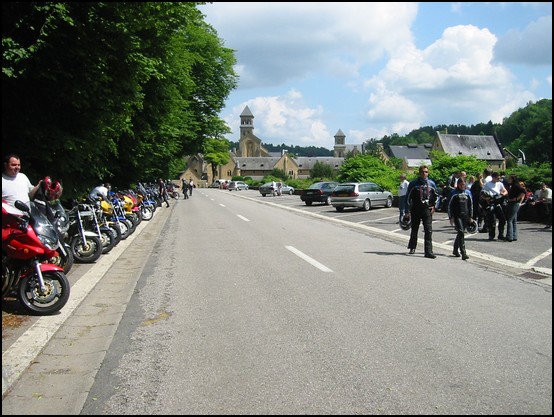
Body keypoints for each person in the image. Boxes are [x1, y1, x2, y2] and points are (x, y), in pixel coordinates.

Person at [405, 165, 439, 259]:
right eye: (423, 172)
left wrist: (434, 206)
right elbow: (408, 197)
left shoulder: (431, 183)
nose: (425, 173)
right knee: (414, 229)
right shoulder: (413, 183)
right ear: (420, 173)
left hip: (427, 210)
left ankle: (428, 251)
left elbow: (437, 196)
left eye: (426, 172)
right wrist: (407, 211)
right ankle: (412, 246)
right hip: (416, 209)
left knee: (428, 230)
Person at [448, 178, 473, 260]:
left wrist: (471, 217)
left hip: (465, 215)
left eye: (464, 184)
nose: (463, 186)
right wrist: (450, 217)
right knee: (461, 231)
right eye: (461, 184)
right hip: (457, 215)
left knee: (460, 233)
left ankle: (455, 250)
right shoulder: (454, 193)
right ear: (458, 185)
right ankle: (463, 252)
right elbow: (449, 206)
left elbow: (470, 205)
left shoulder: (468, 193)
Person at [482, 172, 508, 240]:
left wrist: (502, 194)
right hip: (491, 202)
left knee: (502, 219)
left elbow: (505, 191)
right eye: (497, 178)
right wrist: (487, 198)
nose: (499, 179)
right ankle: (491, 235)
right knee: (492, 220)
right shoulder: (487, 184)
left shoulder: (500, 184)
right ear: (493, 177)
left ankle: (501, 235)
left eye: (499, 178)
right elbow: (482, 194)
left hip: (498, 202)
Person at [504, 174, 526, 242]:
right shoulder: (511, 186)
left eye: (510, 178)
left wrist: (516, 199)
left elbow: (523, 192)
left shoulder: (516, 186)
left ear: (513, 179)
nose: (508, 179)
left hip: (514, 204)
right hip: (511, 203)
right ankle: (514, 236)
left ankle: (509, 236)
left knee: (509, 219)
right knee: (513, 220)